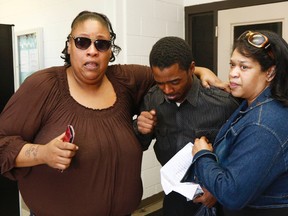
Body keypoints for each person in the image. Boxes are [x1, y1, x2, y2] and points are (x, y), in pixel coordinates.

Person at [0, 11, 226, 216]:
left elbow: (171, 73)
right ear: (69, 45)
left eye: (101, 44)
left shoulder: (124, 80)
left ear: (110, 51)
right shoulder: (43, 86)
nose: (92, 50)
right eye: (82, 42)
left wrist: (200, 71)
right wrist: (43, 153)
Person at [134, 36, 239, 216]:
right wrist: (140, 129)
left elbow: (241, 154)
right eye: (160, 83)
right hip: (175, 195)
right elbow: (141, 143)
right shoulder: (153, 99)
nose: (167, 90)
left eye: (175, 82)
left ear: (192, 69)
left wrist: (218, 190)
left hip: (216, 196)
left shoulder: (223, 103)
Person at [191, 30, 288, 216]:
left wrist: (202, 155)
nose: (233, 74)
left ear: (270, 72)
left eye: (244, 67)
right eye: (232, 65)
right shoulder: (252, 103)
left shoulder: (264, 125)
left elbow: (232, 194)